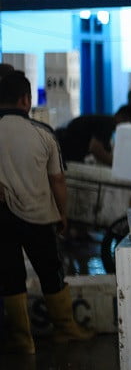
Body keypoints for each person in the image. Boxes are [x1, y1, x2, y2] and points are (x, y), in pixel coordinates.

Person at [0, 72, 94, 354]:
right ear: (26, 100)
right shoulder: (42, 133)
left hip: (1, 218)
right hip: (39, 216)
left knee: (10, 276)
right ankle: (65, 330)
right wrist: (63, 214)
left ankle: (21, 342)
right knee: (51, 272)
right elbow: (58, 180)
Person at [56, 104, 131, 165]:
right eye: (127, 123)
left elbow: (103, 149)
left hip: (63, 148)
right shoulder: (107, 124)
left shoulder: (105, 122)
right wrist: (117, 166)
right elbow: (96, 149)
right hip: (63, 149)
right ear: (120, 117)